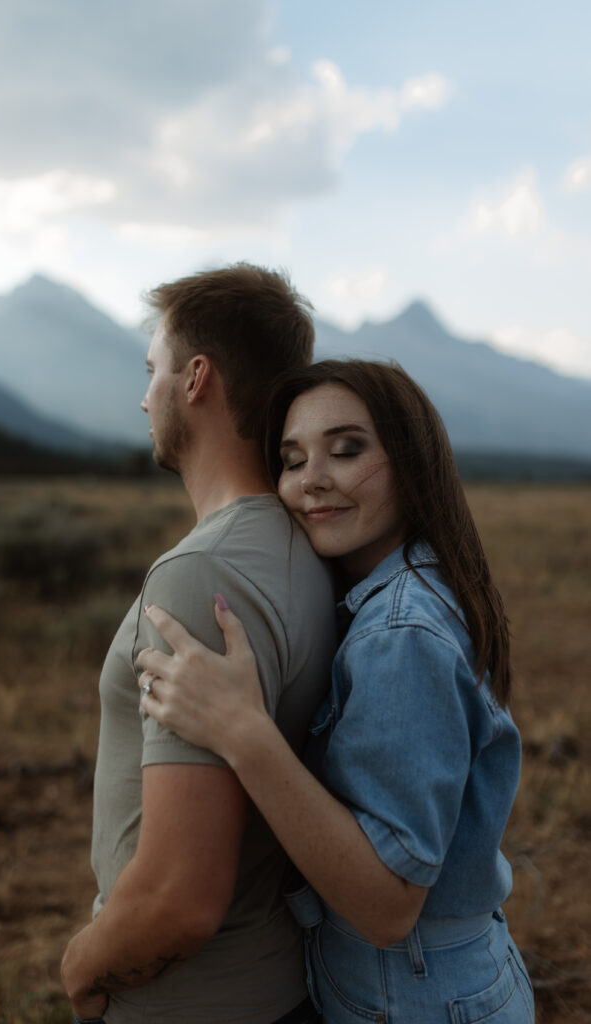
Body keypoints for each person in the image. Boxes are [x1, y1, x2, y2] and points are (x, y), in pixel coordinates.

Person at [137, 359, 536, 1023]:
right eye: (291, 460)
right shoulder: (400, 590)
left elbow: (387, 907)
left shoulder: (398, 631)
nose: (311, 480)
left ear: (412, 462)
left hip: (410, 993)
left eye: (346, 450)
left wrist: (242, 733)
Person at [60, 265, 338, 1024]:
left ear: (196, 380)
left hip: (187, 1004)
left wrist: (81, 965)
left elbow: (182, 899)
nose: (142, 394)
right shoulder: (303, 544)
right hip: (275, 986)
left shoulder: (198, 574)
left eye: (152, 370)